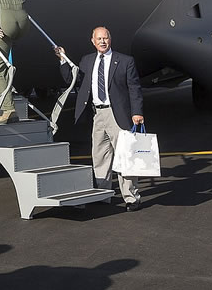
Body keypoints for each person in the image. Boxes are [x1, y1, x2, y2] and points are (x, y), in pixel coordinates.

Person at [54, 27, 147, 210]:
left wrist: (137, 112)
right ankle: (103, 195)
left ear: (110, 39)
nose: (102, 41)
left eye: (105, 38)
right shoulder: (87, 61)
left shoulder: (125, 61)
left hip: (117, 114)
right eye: (99, 39)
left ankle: (131, 198)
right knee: (100, 156)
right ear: (93, 41)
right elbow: (73, 81)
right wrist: (63, 60)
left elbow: (134, 88)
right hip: (97, 114)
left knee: (124, 157)